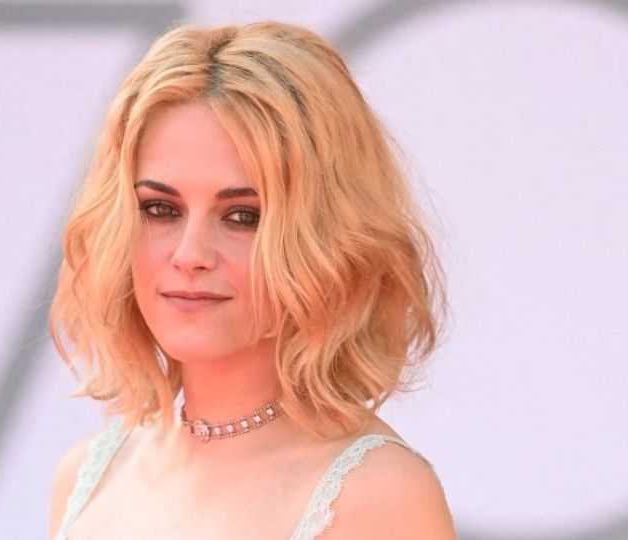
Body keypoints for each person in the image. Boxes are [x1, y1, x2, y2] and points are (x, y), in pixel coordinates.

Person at [47, 20, 455, 539]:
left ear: (325, 238)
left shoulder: (375, 495)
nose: (190, 255)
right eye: (161, 209)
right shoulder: (88, 476)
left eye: (243, 216)